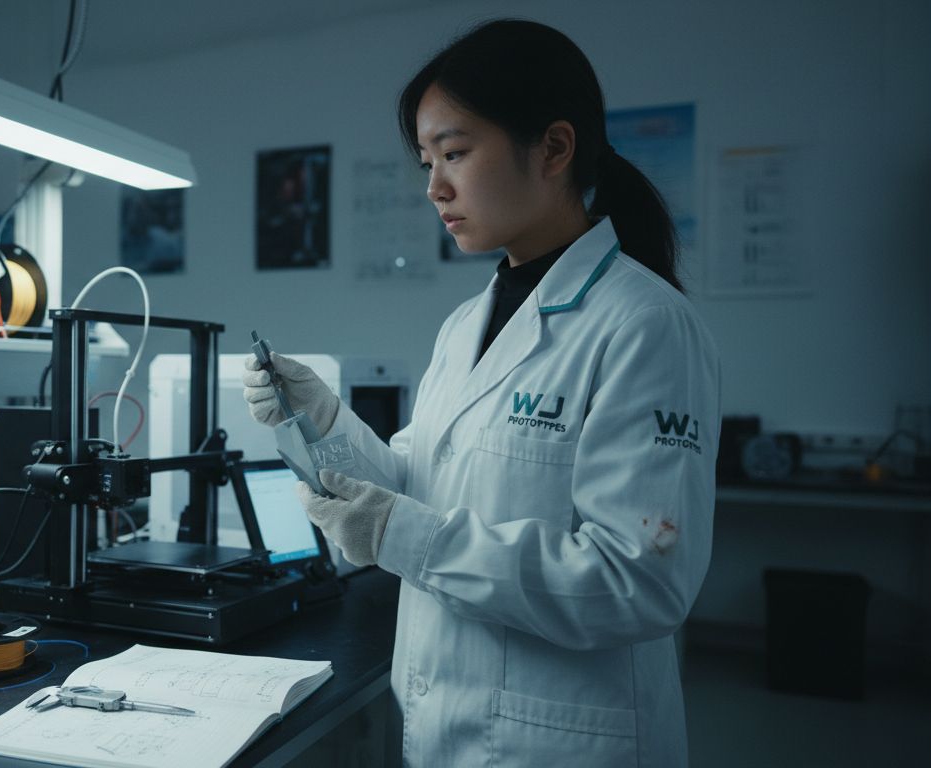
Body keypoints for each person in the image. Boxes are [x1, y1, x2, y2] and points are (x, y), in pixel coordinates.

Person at [243, 19, 720, 767]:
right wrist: (322, 420)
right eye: (428, 160)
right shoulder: (466, 325)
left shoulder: (644, 323)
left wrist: (408, 537)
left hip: (561, 743)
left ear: (554, 148)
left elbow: (639, 581)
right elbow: (414, 488)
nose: (434, 187)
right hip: (442, 725)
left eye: (456, 153)